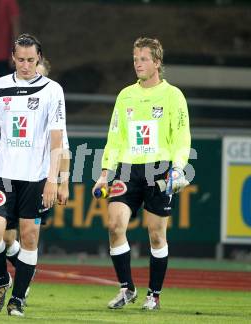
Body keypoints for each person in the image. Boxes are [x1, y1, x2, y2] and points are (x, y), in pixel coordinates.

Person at [0, 34, 66, 317]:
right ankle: (3, 280)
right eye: (20, 59)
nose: (25, 65)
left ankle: (18, 298)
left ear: (39, 57)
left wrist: (53, 179)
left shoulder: (52, 90)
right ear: (13, 58)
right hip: (1, 175)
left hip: (35, 177)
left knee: (29, 236)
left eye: (30, 59)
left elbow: (57, 140)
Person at [92, 37, 191, 311]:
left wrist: (178, 168)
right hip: (127, 169)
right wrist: (104, 173)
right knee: (114, 226)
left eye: (144, 59)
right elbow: (114, 136)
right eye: (135, 59)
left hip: (160, 168)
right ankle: (127, 289)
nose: (138, 64)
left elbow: (183, 137)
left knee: (157, 235)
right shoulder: (125, 95)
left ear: (157, 62)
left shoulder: (173, 96)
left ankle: (154, 295)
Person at [1, 57, 70, 304]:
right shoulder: (10, 98)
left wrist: (62, 182)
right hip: (10, 176)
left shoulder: (51, 101)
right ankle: (25, 269)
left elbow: (63, 148)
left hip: (38, 179)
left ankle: (20, 287)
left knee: (29, 235)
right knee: (5, 238)